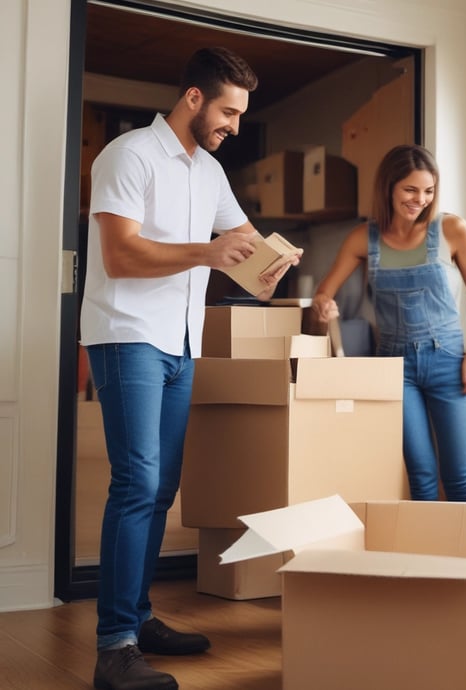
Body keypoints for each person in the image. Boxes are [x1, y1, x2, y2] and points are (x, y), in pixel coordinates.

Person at [80, 47, 301, 690]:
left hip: (181, 343)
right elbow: (120, 256)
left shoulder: (209, 173)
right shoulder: (127, 155)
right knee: (136, 482)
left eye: (241, 114)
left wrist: (268, 269)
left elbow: (244, 253)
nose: (234, 125)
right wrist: (209, 252)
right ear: (196, 99)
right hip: (128, 336)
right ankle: (114, 646)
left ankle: (139, 618)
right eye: (229, 111)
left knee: (162, 489)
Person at [312, 144, 466, 502]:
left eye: (428, 191)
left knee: (457, 477)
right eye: (410, 190)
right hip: (396, 366)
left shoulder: (453, 230)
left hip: (449, 360)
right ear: (389, 187)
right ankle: (423, 555)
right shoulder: (363, 238)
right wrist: (324, 308)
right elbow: (323, 294)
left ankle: (465, 554)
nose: (420, 199)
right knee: (421, 476)